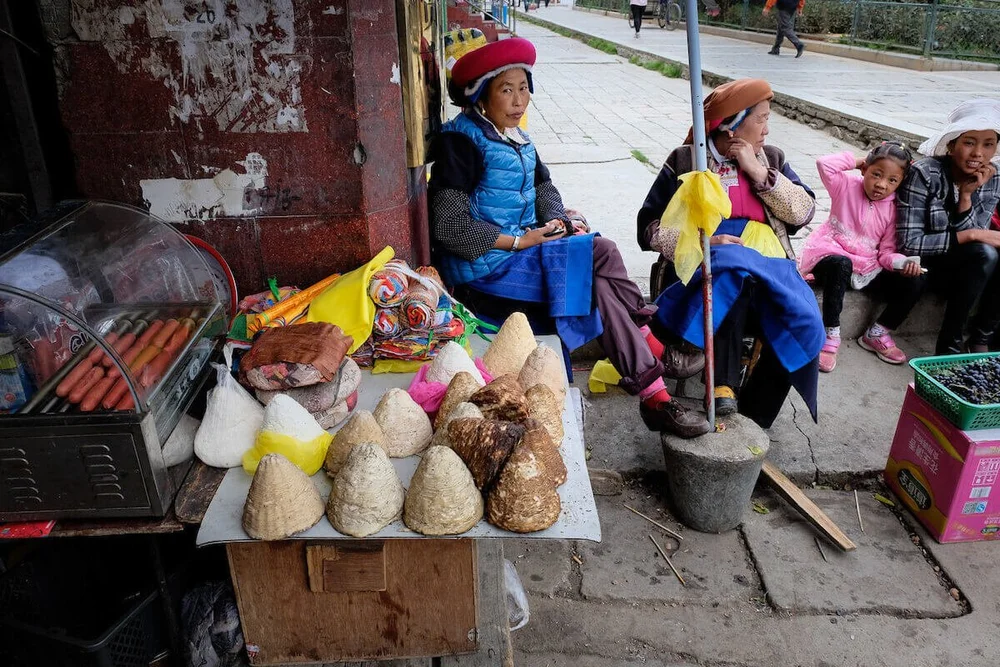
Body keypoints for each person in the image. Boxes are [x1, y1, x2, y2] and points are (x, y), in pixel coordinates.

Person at [429, 38, 710, 438]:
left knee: (597, 260)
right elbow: (449, 227)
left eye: (523, 88)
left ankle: (655, 394)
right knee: (597, 264)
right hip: (485, 269)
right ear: (479, 96)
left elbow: (546, 189)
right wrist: (521, 241)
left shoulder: (516, 138)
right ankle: (652, 360)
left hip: (523, 253)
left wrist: (559, 220)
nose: (518, 100)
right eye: (506, 90)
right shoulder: (462, 142)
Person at [638, 78, 822, 428]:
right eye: (761, 119)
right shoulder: (686, 161)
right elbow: (647, 227)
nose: (767, 129)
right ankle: (720, 386)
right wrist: (701, 244)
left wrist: (758, 172)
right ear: (732, 125)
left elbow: (803, 213)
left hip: (772, 270)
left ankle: (756, 417)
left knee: (806, 320)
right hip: (707, 267)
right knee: (732, 273)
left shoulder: (772, 159)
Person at [798, 143, 923, 372]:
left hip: (866, 267)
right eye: (876, 174)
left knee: (916, 280)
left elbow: (886, 253)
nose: (881, 184)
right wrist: (858, 161)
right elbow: (824, 164)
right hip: (829, 256)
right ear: (865, 169)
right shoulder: (844, 186)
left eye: (892, 180)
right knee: (840, 263)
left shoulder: (895, 209)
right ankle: (831, 334)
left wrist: (902, 263)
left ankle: (877, 333)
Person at [895, 99, 1000, 355]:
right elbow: (910, 242)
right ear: (952, 145)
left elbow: (980, 234)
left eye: (988, 144)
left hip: (969, 270)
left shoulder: (992, 177)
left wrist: (966, 197)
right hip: (922, 268)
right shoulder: (924, 174)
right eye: (969, 142)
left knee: (987, 252)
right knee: (984, 252)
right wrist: (971, 234)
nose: (978, 154)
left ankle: (982, 337)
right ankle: (948, 345)